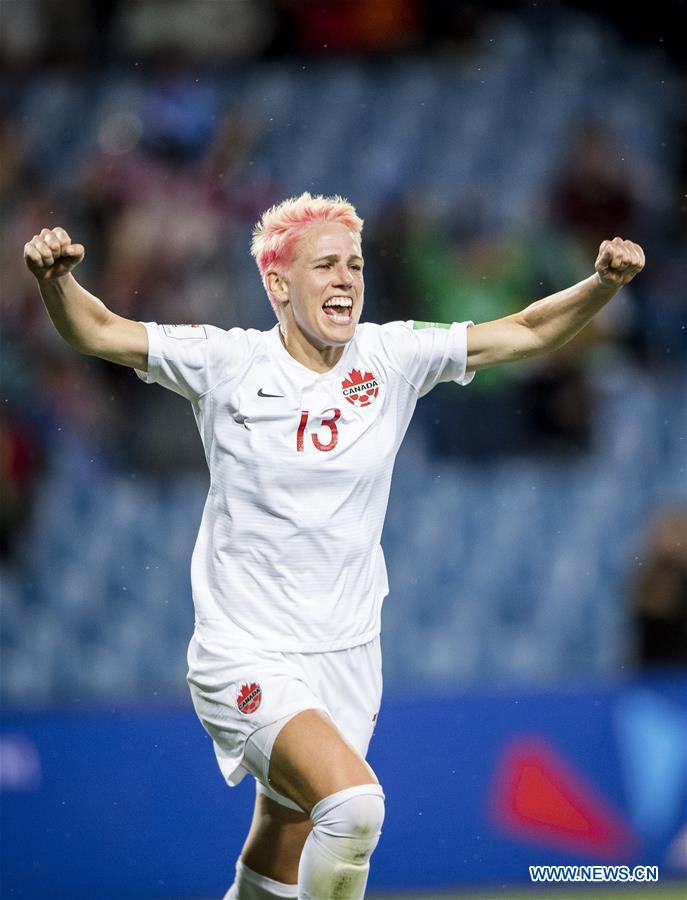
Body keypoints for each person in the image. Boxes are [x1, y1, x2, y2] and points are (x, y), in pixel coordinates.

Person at [24, 193, 644, 900]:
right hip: (245, 651)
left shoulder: (390, 355)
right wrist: (56, 282)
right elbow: (100, 330)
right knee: (353, 809)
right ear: (278, 285)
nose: (346, 277)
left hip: (348, 657)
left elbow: (526, 333)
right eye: (324, 265)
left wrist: (601, 285)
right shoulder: (225, 362)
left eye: (353, 263)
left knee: (283, 842)